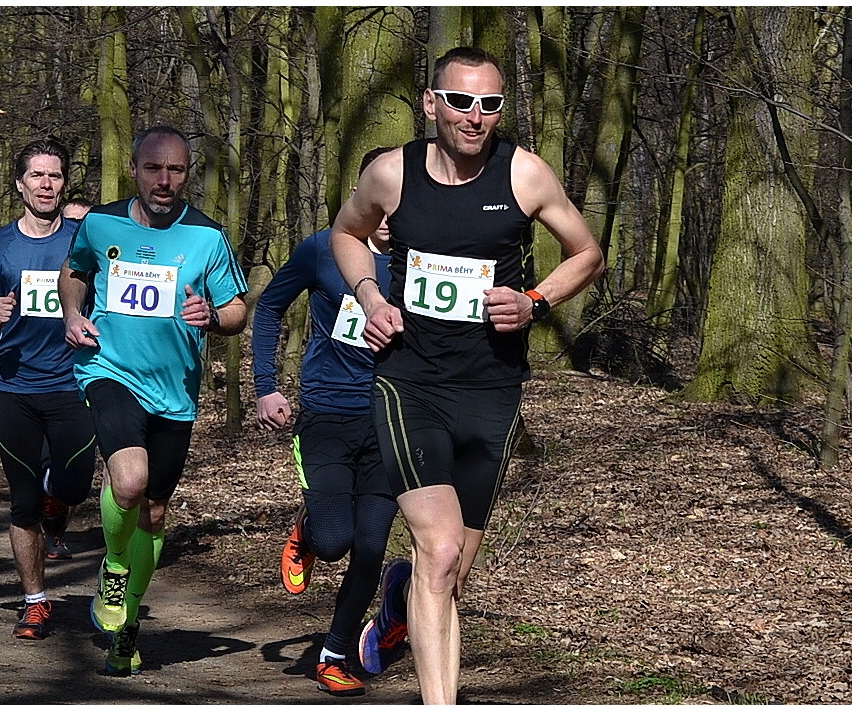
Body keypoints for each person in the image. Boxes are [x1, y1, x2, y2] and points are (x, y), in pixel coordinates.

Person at [330, 47, 604, 704]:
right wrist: (371, 298)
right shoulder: (391, 174)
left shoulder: (526, 175)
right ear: (431, 103)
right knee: (443, 547)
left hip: (491, 390)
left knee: (450, 572)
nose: (475, 116)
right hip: (409, 383)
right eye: (460, 100)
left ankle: (399, 598)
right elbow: (346, 234)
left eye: (490, 103)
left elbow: (588, 252)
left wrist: (535, 301)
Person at [60, 125, 249, 675]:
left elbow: (238, 310)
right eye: (153, 169)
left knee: (156, 512)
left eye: (176, 171)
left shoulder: (207, 238)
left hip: (176, 391)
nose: (164, 181)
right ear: (135, 169)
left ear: (188, 173)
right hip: (109, 368)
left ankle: (128, 618)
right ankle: (114, 570)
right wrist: (74, 314)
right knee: (130, 481)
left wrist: (213, 317)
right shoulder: (99, 222)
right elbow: (75, 272)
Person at [255, 146, 401, 697]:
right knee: (338, 539)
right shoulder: (322, 249)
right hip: (327, 414)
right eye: (378, 204)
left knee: (370, 548)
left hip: (393, 421)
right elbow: (269, 308)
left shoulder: (424, 259)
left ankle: (334, 654)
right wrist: (267, 387)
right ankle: (310, 530)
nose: (388, 219)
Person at [0, 139, 98, 640]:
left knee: (75, 483)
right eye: (37, 175)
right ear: (20, 184)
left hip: (73, 380)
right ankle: (35, 601)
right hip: (13, 384)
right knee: (22, 502)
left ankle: (58, 503)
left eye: (55, 176)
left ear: (64, 183)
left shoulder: (86, 239)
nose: (46, 184)